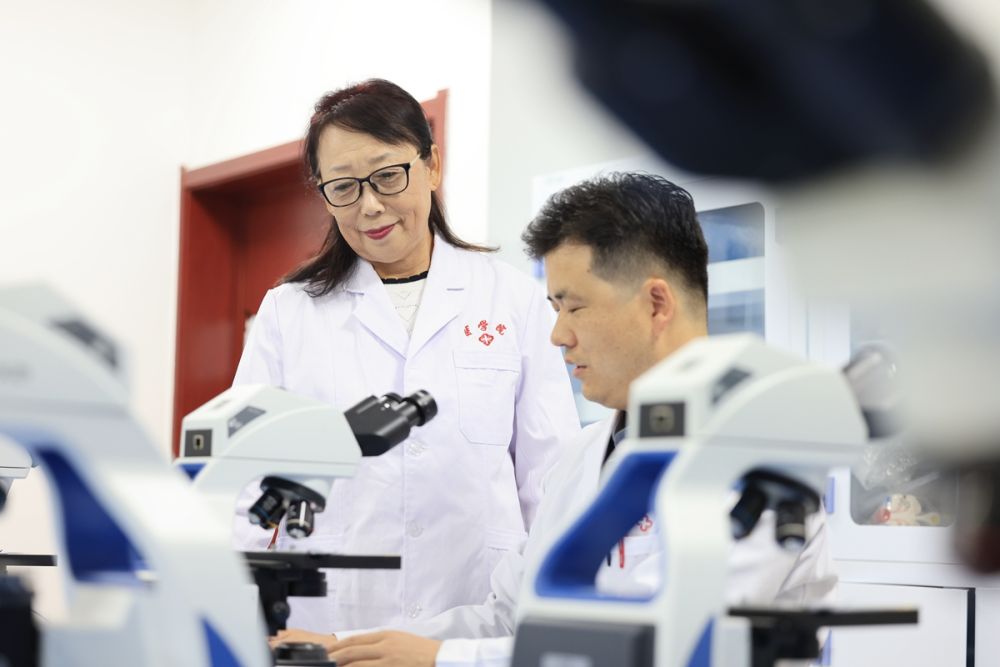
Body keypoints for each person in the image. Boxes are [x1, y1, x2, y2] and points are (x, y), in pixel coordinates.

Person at [286, 173, 837, 666]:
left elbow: (663, 645)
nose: (558, 336)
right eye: (554, 310)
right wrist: (343, 647)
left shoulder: (760, 459)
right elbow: (509, 614)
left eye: (574, 308)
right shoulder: (581, 459)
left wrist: (442, 660)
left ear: (656, 304)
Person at [233, 79, 581, 633]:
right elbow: (247, 479)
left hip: (475, 616)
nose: (370, 205)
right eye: (343, 187)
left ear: (432, 166)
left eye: (388, 175)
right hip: (332, 620)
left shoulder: (511, 299)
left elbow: (550, 477)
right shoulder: (288, 312)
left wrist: (551, 616)